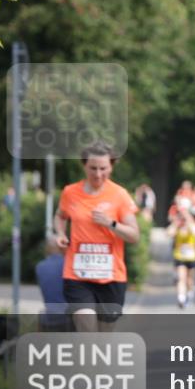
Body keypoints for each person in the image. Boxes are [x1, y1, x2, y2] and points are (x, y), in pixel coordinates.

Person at [53, 141, 141, 332]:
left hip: (111, 277)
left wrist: (111, 223)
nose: (98, 174)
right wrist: (60, 233)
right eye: (93, 168)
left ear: (112, 166)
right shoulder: (70, 192)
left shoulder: (120, 195)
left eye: (104, 168)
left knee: (104, 339)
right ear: (84, 165)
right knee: (87, 332)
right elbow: (60, 216)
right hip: (77, 275)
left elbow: (134, 235)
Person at [168, 198, 195, 308]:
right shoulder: (178, 225)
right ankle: (181, 298)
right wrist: (176, 222)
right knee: (181, 278)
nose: (183, 219)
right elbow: (169, 233)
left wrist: (187, 216)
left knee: (190, 280)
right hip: (180, 256)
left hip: (192, 257)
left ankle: (190, 293)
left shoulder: (193, 225)